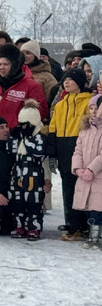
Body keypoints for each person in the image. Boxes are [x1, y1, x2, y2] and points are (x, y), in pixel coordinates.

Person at [47, 69, 92, 240]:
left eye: (71, 79)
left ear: (80, 82)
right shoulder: (60, 104)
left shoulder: (89, 102)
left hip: (81, 146)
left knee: (85, 188)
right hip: (63, 147)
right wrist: (52, 154)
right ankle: (73, 226)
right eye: (65, 80)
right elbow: (53, 129)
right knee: (68, 189)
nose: (66, 82)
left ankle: (88, 225)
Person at [7, 100, 46, 240]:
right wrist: (15, 138)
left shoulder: (39, 137)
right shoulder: (17, 136)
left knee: (33, 200)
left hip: (33, 171)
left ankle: (34, 227)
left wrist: (28, 138)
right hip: (18, 169)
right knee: (17, 199)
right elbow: (10, 151)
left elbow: (39, 152)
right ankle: (18, 225)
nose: (23, 126)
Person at [0, 43, 48, 127]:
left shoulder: (32, 86)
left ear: (15, 66)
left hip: (17, 133)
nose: (2, 67)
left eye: (6, 64)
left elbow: (42, 111)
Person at [71, 95, 102, 246]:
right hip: (85, 176)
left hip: (99, 176)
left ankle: (98, 237)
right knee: (90, 208)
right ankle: (92, 235)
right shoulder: (85, 129)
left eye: (97, 108)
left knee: (98, 208)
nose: (93, 112)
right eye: (91, 108)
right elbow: (78, 150)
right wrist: (78, 168)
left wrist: (91, 168)